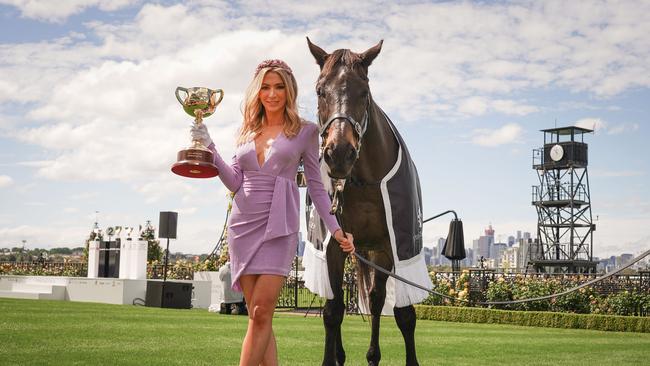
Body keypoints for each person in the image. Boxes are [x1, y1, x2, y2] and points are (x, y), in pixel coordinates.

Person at [191, 59, 355, 366]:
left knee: (262, 312)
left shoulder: (306, 132)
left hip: (279, 227)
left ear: (289, 90)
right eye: (266, 87)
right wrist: (208, 146)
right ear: (257, 91)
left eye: (279, 87)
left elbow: (317, 188)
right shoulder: (246, 130)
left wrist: (335, 229)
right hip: (242, 226)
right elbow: (235, 181)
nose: (272, 93)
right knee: (258, 316)